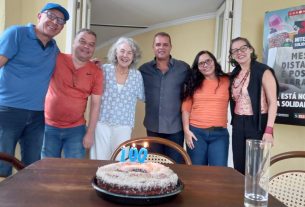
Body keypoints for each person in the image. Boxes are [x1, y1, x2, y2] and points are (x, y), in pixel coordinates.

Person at [0, 3, 69, 176]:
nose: (55, 22)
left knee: (32, 166)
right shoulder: (16, 33)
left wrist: (92, 63)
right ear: (40, 16)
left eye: (60, 21)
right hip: (7, 111)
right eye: (51, 16)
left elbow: (69, 65)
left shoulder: (54, 48)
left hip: (37, 115)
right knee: (2, 164)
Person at [41, 29, 103, 159]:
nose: (86, 46)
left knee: (74, 171)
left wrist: (90, 133)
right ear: (73, 43)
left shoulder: (96, 72)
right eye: (82, 41)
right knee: (46, 170)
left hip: (76, 130)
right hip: (48, 127)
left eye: (91, 44)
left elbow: (96, 104)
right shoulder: (57, 58)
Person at [229, 37, 279, 174]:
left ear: (250, 49)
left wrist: (268, 131)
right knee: (238, 166)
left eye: (243, 48)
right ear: (232, 55)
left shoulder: (263, 71)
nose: (239, 52)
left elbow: (273, 102)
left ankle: (251, 195)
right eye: (234, 51)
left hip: (257, 124)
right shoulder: (234, 74)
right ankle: (239, 194)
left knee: (255, 169)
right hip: (238, 123)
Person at [139, 32, 190, 163]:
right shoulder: (143, 70)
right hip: (152, 126)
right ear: (153, 47)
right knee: (155, 165)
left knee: (176, 166)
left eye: (165, 44)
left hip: (176, 128)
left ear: (170, 47)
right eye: (158, 44)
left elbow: (198, 82)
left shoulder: (183, 68)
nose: (161, 47)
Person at [90, 37, 144, 160]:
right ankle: (99, 180)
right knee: (99, 159)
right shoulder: (104, 70)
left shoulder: (137, 76)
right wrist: (91, 66)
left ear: (134, 56)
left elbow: (144, 96)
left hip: (124, 125)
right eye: (122, 51)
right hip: (102, 123)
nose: (125, 55)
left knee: (120, 162)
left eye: (129, 52)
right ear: (116, 53)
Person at [182, 50, 230, 166]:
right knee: (197, 173)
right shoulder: (193, 83)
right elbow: (186, 109)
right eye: (201, 63)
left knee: (218, 173)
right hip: (196, 134)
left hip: (220, 135)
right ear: (197, 67)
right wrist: (186, 131)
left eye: (208, 61)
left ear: (214, 61)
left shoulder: (227, 80)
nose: (205, 65)